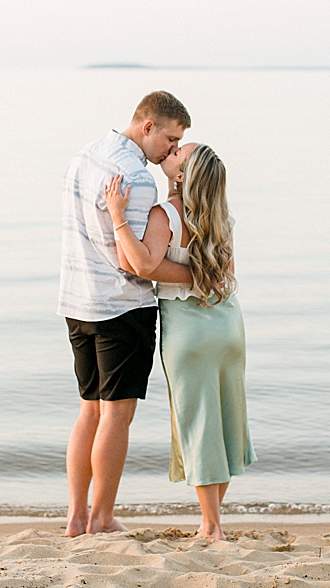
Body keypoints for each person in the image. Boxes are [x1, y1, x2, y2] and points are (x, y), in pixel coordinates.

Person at [57, 91, 194, 535]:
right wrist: (199, 277)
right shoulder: (136, 175)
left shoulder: (87, 154)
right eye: (170, 140)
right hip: (120, 308)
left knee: (89, 410)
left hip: (77, 300)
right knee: (117, 416)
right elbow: (137, 261)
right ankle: (103, 518)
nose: (171, 152)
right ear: (147, 126)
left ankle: (76, 516)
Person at [104, 142, 255, 541]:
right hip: (227, 325)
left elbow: (144, 263)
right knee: (224, 422)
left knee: (199, 424)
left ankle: (211, 526)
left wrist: (118, 217)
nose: (167, 155)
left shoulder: (165, 213)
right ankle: (215, 519)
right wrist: (201, 276)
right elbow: (226, 274)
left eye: (176, 155)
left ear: (181, 175)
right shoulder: (223, 218)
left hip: (188, 331)